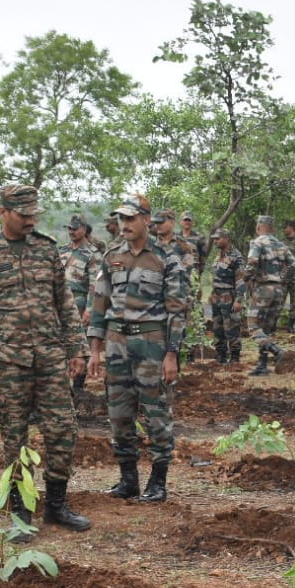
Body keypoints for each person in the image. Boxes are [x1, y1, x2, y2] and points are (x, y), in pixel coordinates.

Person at [0, 183, 89, 537]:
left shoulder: (47, 250)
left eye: (34, 213)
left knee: (63, 429)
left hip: (49, 356)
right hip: (7, 362)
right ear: (3, 212)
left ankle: (57, 506)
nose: (31, 219)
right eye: (23, 214)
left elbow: (64, 301)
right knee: (15, 439)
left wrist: (77, 348)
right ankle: (22, 514)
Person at [88, 193, 189, 503]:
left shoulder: (166, 257)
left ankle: (158, 481)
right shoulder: (112, 256)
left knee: (156, 413)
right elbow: (99, 303)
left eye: (131, 218)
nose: (125, 224)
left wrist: (172, 354)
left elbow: (177, 309)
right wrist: (94, 349)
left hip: (151, 345)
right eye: (121, 218)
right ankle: (127, 479)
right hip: (117, 344)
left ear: (147, 220)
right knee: (118, 413)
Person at [61, 215, 99, 405]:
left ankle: (77, 390)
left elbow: (95, 284)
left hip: (81, 303)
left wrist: (90, 309)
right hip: (61, 304)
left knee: (79, 347)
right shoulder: (62, 251)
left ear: (84, 229)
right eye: (69, 228)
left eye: (75, 228)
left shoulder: (92, 253)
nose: (71, 231)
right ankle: (62, 390)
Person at [243, 215, 287, 375]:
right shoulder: (280, 244)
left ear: (259, 226)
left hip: (263, 289)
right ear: (272, 227)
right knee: (266, 329)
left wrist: (245, 277)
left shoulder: (258, 242)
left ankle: (277, 351)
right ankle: (262, 366)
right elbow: (293, 265)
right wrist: (281, 279)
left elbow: (252, 261)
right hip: (279, 290)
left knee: (253, 326)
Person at [207, 227, 245, 364]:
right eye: (214, 239)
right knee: (217, 328)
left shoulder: (236, 256)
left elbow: (241, 279)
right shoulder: (219, 255)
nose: (215, 241)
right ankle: (221, 355)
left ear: (227, 239)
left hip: (229, 296)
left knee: (231, 327)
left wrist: (239, 300)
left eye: (218, 238)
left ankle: (234, 357)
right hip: (217, 296)